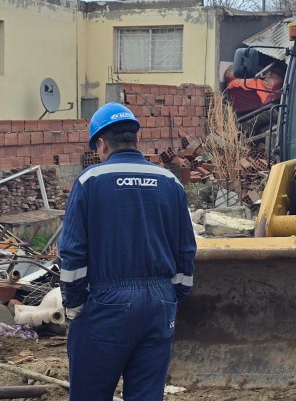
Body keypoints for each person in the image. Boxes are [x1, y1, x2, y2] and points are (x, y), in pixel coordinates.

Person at [58, 103, 197, 401]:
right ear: (135, 139)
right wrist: (173, 296)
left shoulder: (89, 181)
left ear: (101, 143)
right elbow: (186, 249)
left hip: (105, 304)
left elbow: (72, 253)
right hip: (159, 304)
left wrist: (74, 303)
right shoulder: (170, 182)